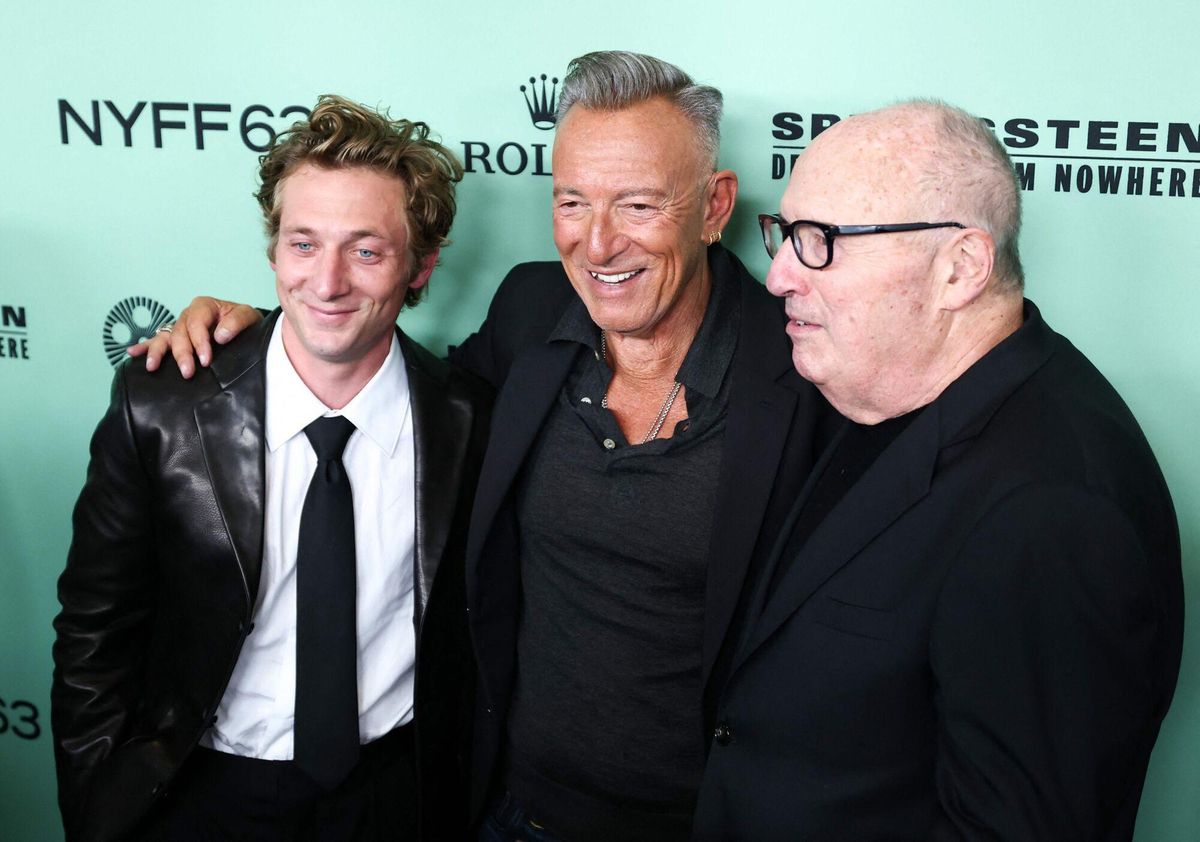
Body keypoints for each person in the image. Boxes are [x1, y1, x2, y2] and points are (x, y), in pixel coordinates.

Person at [131, 52, 829, 841]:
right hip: (508, 813)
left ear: (714, 206)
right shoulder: (531, 311)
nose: (599, 245)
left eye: (638, 205)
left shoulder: (803, 369)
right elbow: (396, 386)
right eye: (572, 202)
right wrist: (261, 336)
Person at [692, 100, 1184, 840]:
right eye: (785, 235)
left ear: (960, 268)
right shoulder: (875, 389)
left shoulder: (1055, 509)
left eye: (821, 241)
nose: (779, 275)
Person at [51, 95, 492, 841]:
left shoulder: (472, 421)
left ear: (422, 266)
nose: (327, 282)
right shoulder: (161, 407)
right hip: (199, 792)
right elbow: (95, 635)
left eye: (366, 251)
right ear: (273, 251)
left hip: (396, 795)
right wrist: (102, 809)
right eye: (303, 244)